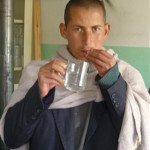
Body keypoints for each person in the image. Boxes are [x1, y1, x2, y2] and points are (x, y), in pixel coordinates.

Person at [0, 0, 150, 150]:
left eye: (95, 29)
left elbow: (140, 135)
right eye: (78, 29)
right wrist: (38, 94)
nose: (87, 41)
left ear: (106, 31)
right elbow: (12, 138)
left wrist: (113, 83)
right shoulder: (38, 74)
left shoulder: (126, 75)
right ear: (64, 30)